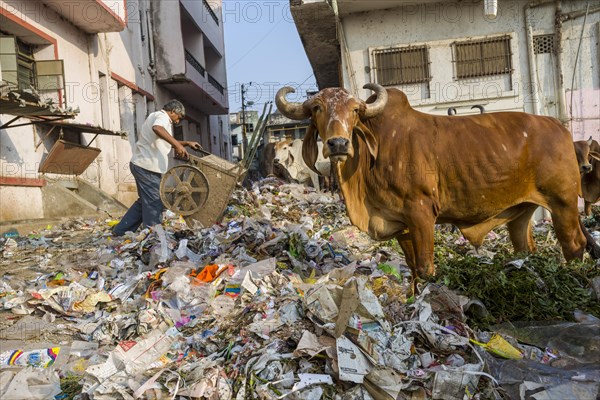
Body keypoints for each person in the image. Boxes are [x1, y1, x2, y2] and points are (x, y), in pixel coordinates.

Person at [112, 100, 202, 236]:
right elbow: (157, 128)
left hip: (144, 165)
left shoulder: (157, 117)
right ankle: (153, 235)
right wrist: (178, 145)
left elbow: (164, 139)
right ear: (172, 112)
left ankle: (120, 231)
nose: (178, 122)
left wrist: (186, 143)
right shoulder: (162, 117)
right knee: (155, 201)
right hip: (146, 166)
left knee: (144, 202)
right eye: (178, 117)